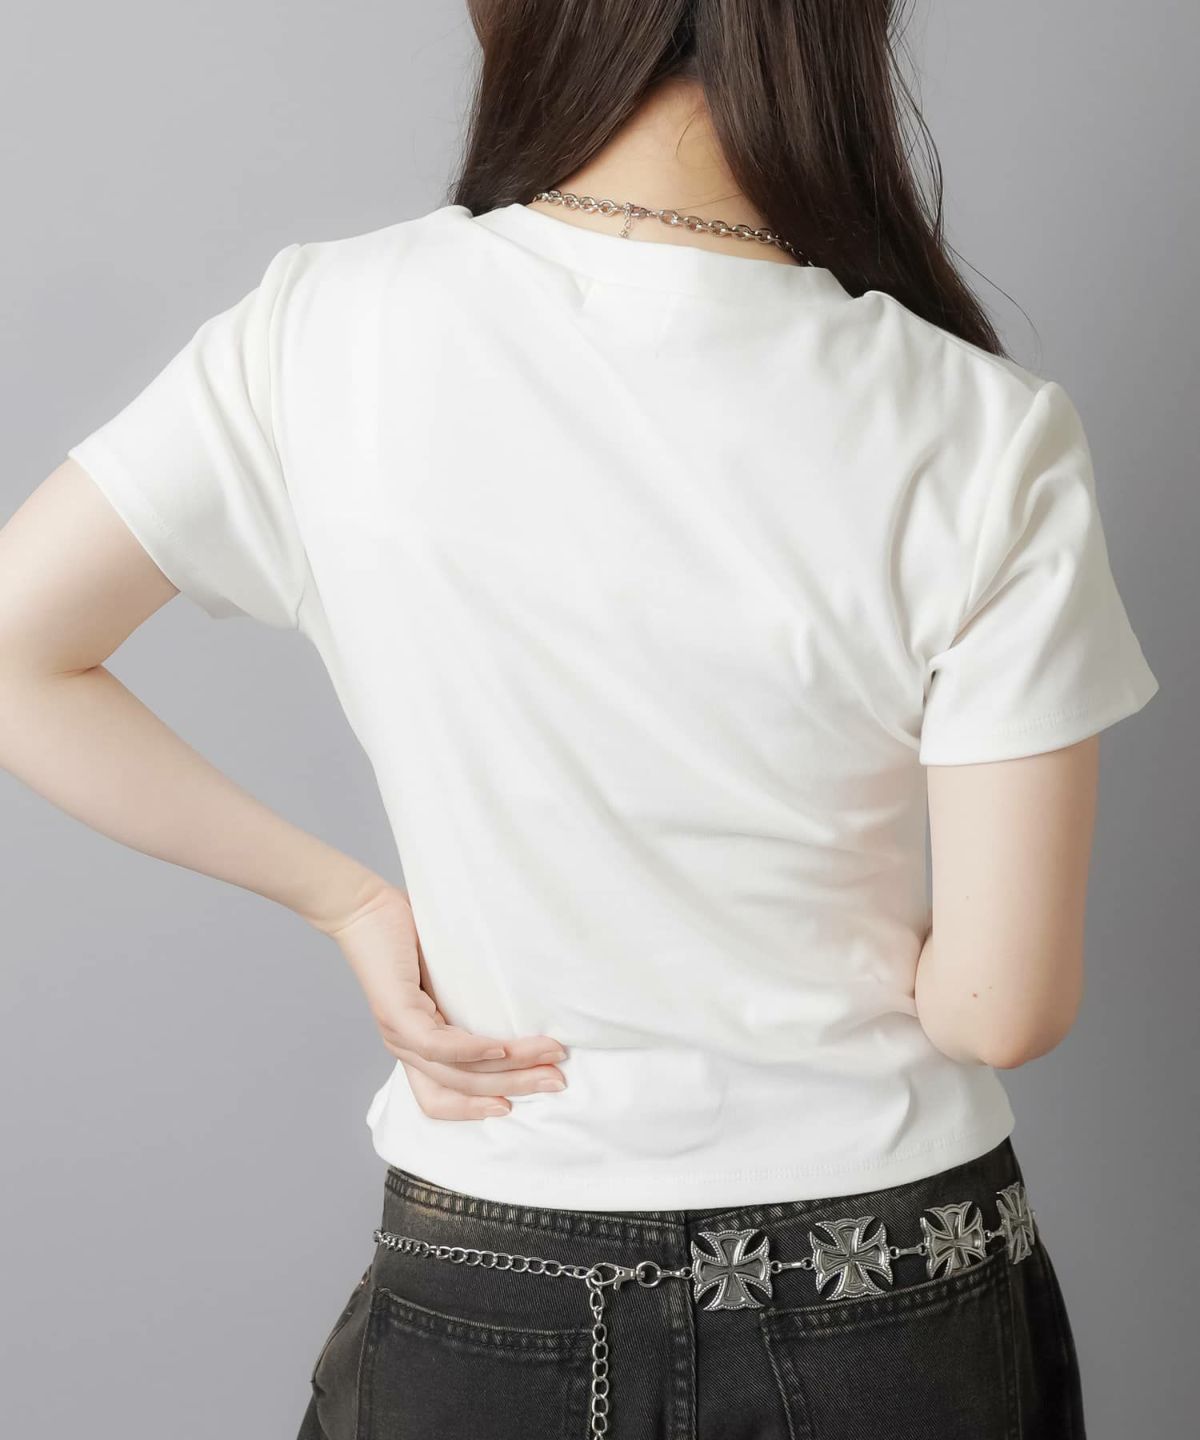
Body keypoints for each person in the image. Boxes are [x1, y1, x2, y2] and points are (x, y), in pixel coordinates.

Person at [0, 2, 1160, 1437]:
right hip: (885, 1279)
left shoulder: (327, 326)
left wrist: (345, 902)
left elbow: (19, 649)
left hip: (496, 1270)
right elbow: (1002, 1007)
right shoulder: (984, 427)